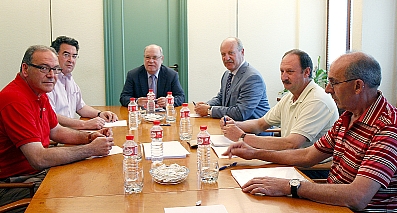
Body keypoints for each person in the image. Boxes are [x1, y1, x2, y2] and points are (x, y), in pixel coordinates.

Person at [223, 52, 397, 212]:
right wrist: (255, 153)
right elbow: (307, 155)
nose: (328, 89)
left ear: (358, 86)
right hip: (332, 203)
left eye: (334, 82)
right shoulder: (348, 116)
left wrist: (289, 186)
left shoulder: (388, 127)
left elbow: (357, 197)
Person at [0, 45, 114, 210]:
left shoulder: (39, 93)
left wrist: (90, 136)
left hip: (34, 175)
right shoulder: (15, 99)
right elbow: (39, 158)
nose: (51, 75)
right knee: (81, 197)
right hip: (16, 183)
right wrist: (90, 149)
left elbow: (56, 131)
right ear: (25, 69)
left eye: (55, 69)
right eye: (44, 68)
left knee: (87, 182)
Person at [221, 49, 339, 151]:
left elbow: (291, 144)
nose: (284, 77)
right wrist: (233, 125)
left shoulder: (317, 100)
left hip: (309, 170)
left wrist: (242, 137)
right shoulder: (290, 96)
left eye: (290, 72)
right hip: (289, 160)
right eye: (282, 71)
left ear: (307, 72)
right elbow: (260, 124)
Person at [47, 36, 118, 130]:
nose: (71, 60)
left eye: (74, 56)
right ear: (54, 56)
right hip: (55, 136)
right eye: (66, 55)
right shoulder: (48, 80)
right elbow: (50, 116)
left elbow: (80, 107)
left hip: (68, 131)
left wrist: (99, 114)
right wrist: (84, 124)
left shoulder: (69, 78)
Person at [194, 37, 270, 121]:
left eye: (231, 53)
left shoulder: (252, 78)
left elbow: (241, 113)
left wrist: (209, 110)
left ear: (242, 52)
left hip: (253, 131)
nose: (226, 58)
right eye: (223, 54)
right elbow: (221, 98)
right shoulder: (227, 74)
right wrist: (206, 105)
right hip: (233, 126)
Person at [119, 44, 185, 108]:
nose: (151, 61)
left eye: (155, 57)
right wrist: (137, 102)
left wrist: (169, 102)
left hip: (164, 114)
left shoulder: (171, 75)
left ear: (162, 59)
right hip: (142, 114)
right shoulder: (133, 75)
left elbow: (181, 97)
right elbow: (124, 97)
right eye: (147, 57)